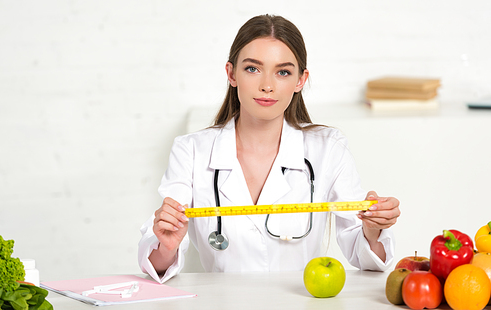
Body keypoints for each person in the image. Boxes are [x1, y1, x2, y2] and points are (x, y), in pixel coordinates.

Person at [138, 14, 400, 283]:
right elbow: (159, 264)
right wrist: (167, 246)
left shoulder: (328, 148)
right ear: (231, 74)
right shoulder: (191, 151)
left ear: (300, 80)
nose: (267, 85)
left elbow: (368, 259)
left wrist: (371, 229)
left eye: (283, 72)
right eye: (252, 68)